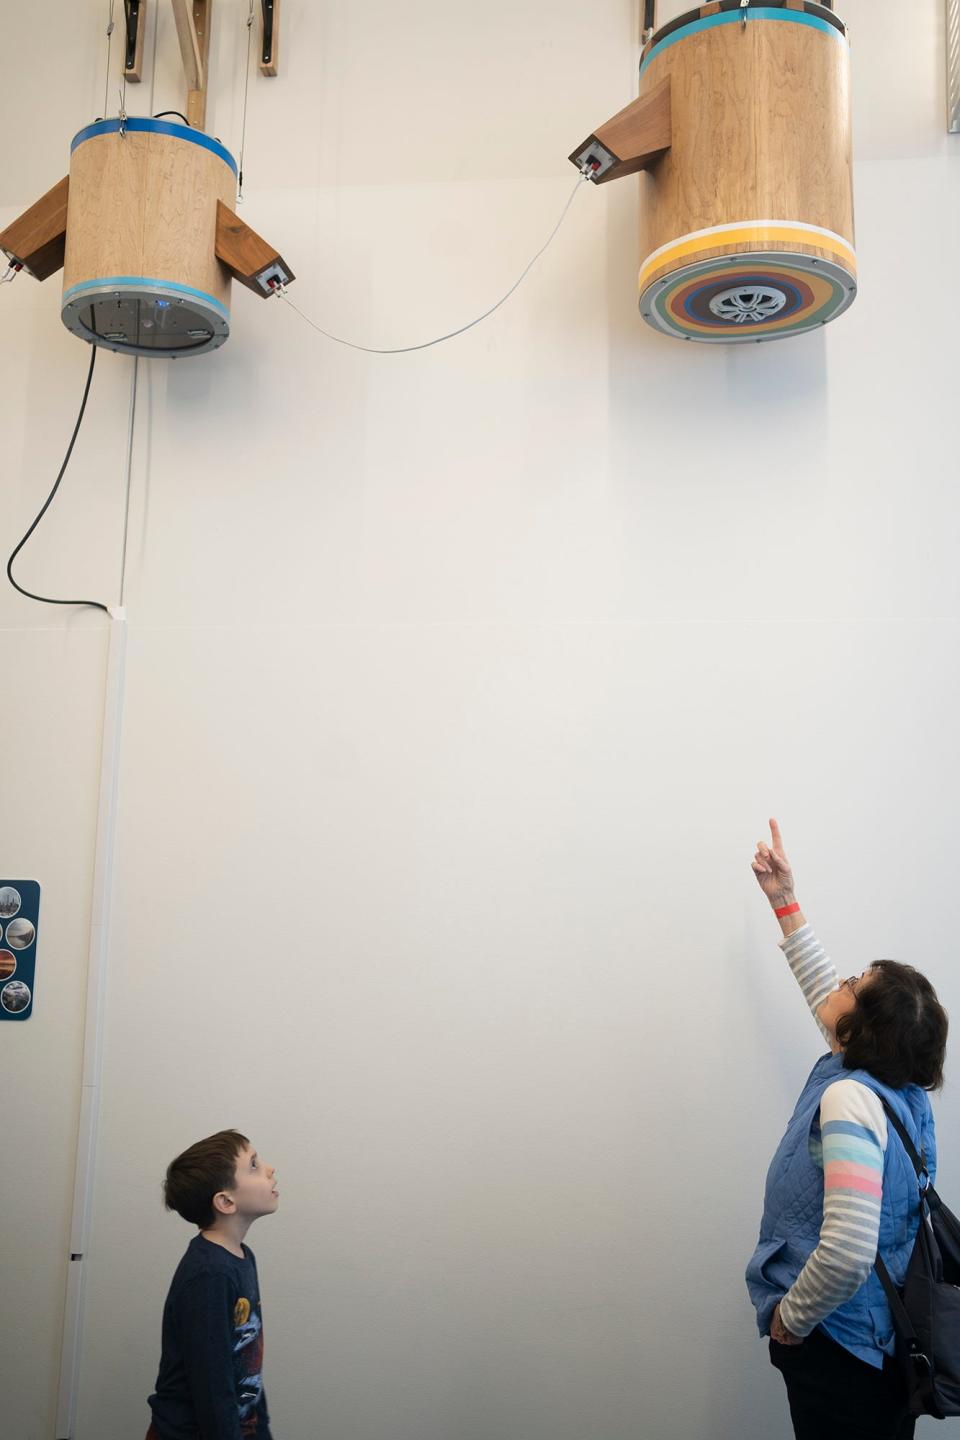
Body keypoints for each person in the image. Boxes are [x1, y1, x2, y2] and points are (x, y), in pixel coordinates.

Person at [745, 819, 948, 1440]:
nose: (840, 983)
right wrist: (785, 899)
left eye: (855, 984)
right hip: (873, 1342)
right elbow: (822, 993)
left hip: (840, 1349)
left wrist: (792, 1321)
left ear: (859, 1031)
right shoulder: (895, 1085)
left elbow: (850, 1249)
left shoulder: (850, 1102)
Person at [145, 1129, 279, 1440]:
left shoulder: (242, 1258)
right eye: (254, 1165)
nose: (270, 1169)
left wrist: (262, 1431)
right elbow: (211, 1385)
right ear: (226, 1201)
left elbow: (248, 1368)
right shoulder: (209, 1274)